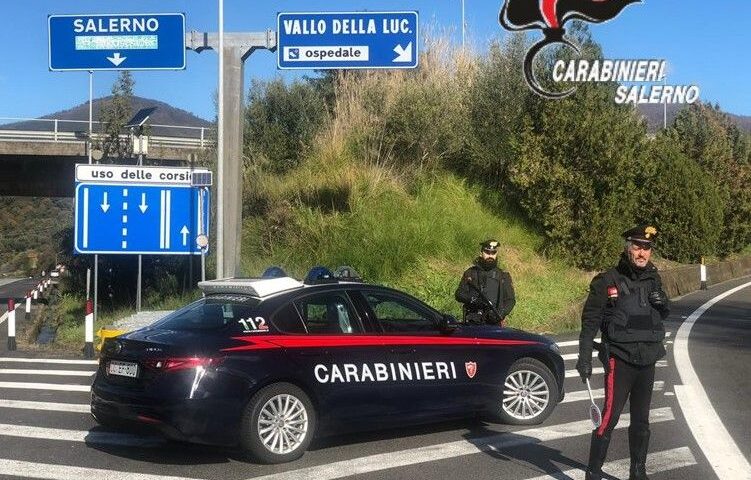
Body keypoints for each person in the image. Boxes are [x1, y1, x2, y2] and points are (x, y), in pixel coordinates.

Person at [576, 225, 670, 480]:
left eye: (647, 248)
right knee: (609, 418)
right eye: (638, 247)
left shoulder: (654, 278)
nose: (642, 253)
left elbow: (660, 314)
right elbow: (590, 322)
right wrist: (584, 357)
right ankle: (593, 472)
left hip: (648, 358)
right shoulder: (607, 280)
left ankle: (637, 472)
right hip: (620, 359)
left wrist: (665, 306)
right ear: (627, 247)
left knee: (641, 421)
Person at [454, 239, 515, 325]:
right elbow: (459, 294)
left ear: (496, 254)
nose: (490, 255)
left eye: (493, 253)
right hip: (472, 322)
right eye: (487, 252)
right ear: (481, 253)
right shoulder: (470, 273)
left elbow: (510, 300)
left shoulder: (503, 275)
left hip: (494, 324)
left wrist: (501, 313)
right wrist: (473, 299)